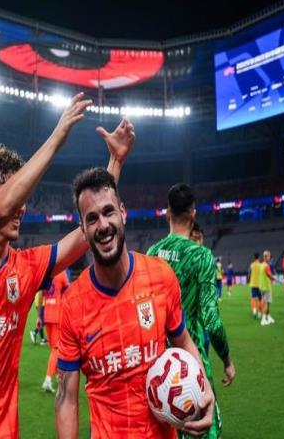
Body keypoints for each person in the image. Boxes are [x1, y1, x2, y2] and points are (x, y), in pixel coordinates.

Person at [0, 93, 135, 439]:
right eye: (14, 191)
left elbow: (85, 236)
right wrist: (57, 136)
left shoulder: (25, 268)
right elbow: (2, 209)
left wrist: (115, 162)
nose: (22, 206)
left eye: (23, 196)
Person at [56, 169, 215, 439]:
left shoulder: (161, 276)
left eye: (108, 212)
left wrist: (204, 386)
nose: (103, 225)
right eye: (91, 218)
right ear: (82, 228)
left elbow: (184, 341)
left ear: (123, 213)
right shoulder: (73, 304)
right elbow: (66, 398)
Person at [147, 183, 235, 439]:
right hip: (191, 364)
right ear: (193, 214)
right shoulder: (201, 256)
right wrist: (227, 360)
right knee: (206, 430)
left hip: (159, 368)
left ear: (167, 212)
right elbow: (211, 320)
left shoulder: (152, 254)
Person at [41, 269, 71, 393]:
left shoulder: (46, 273)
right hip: (57, 315)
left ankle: (60, 381)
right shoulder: (62, 273)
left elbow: (41, 295)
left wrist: (40, 316)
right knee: (56, 349)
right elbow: (69, 291)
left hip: (47, 315)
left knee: (54, 350)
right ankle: (48, 379)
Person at [259, 250, 276, 326]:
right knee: (266, 303)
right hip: (266, 287)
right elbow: (269, 275)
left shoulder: (261, 265)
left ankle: (268, 316)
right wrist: (273, 278)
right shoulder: (266, 266)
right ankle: (263, 319)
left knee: (267, 303)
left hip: (262, 287)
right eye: (269, 256)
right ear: (266, 257)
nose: (270, 257)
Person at [248, 253, 262, 319]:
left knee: (253, 298)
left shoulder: (252, 265)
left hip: (253, 284)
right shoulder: (261, 265)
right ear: (259, 257)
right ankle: (259, 313)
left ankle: (254, 311)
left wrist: (248, 280)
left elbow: (249, 274)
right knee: (260, 299)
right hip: (260, 285)